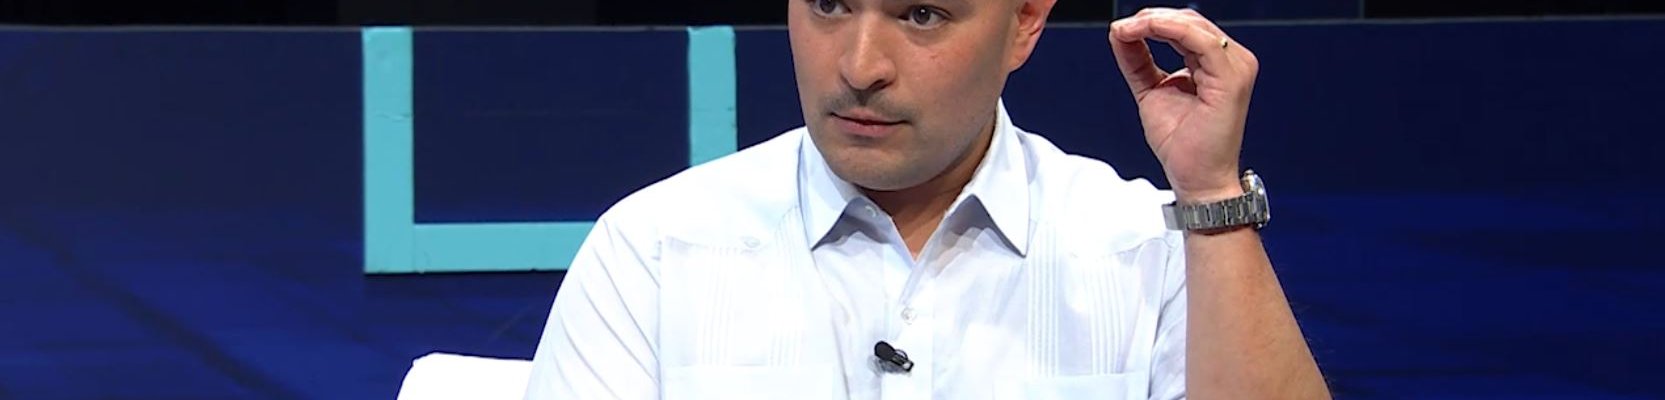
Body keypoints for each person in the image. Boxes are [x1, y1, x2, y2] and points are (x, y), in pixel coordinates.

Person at [525, 0, 1329, 398]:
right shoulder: (654, 248)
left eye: (920, 14)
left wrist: (1209, 194)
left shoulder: (1145, 246)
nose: (859, 66)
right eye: (830, 4)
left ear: (1024, 23)